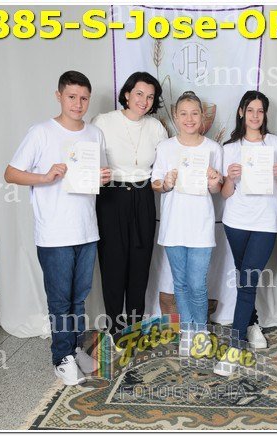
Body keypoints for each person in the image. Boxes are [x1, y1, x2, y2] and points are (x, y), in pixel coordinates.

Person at [4, 71, 111, 385]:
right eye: (71, 97)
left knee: (79, 298)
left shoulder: (94, 134)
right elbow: (11, 173)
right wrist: (44, 177)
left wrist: (103, 178)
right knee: (60, 300)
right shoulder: (41, 132)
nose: (78, 104)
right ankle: (61, 357)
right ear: (59, 96)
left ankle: (75, 349)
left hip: (87, 229)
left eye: (83, 98)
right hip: (54, 233)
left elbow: (94, 177)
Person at [215, 91, 277, 376]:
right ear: (241, 112)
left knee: (247, 282)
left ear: (265, 114)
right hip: (235, 222)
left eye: (260, 111)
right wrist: (231, 178)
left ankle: (234, 348)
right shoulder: (229, 148)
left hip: (265, 223)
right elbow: (225, 193)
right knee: (244, 279)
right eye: (250, 110)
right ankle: (252, 324)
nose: (255, 116)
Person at [91, 72, 168, 336]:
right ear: (126, 94)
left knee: (140, 262)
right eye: (139, 94)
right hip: (111, 196)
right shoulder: (103, 122)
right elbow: (88, 159)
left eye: (150, 97)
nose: (144, 101)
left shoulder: (156, 127)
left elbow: (164, 165)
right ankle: (114, 326)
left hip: (143, 197)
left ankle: (135, 327)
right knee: (113, 262)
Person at [151, 91, 223, 329]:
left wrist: (214, 181)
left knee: (197, 284)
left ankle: (200, 332)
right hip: (174, 226)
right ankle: (187, 331)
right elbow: (155, 184)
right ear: (175, 116)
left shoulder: (213, 148)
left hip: (201, 226)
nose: (189, 119)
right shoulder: (165, 148)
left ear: (202, 116)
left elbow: (216, 189)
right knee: (180, 283)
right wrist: (166, 183)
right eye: (183, 114)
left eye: (194, 113)